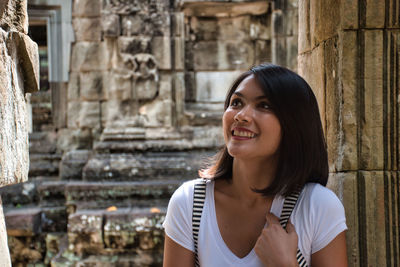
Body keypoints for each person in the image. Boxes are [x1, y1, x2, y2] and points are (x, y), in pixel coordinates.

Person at [162, 63, 348, 267]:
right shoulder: (190, 203)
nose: (241, 115)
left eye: (264, 106)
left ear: (294, 125)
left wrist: (285, 264)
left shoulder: (317, 206)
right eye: (236, 102)